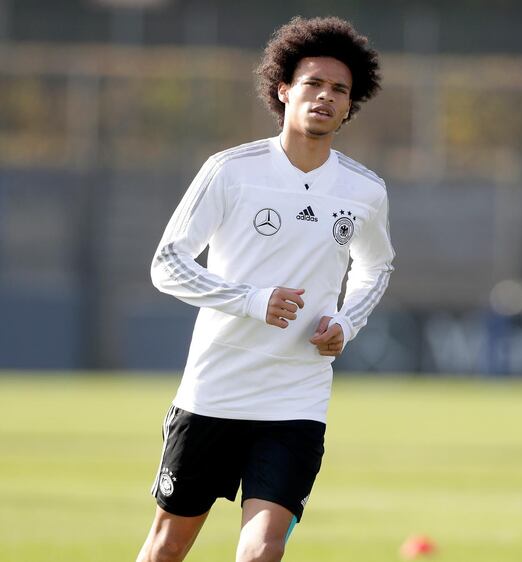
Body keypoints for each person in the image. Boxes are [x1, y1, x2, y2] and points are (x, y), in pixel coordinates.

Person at [137, 16, 394, 562]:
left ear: (351, 105)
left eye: (339, 90)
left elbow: (377, 267)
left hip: (296, 397)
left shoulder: (364, 192)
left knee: (262, 550)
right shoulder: (231, 171)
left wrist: (347, 323)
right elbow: (167, 263)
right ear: (283, 90)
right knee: (167, 547)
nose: (325, 97)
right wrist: (252, 299)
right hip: (215, 389)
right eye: (313, 84)